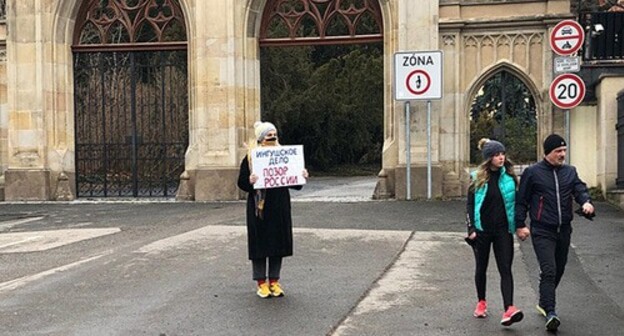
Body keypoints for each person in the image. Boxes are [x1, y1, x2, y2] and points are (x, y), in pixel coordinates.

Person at [515, 134, 594, 332]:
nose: (562, 154)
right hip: (542, 229)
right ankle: (551, 312)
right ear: (548, 152)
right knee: (549, 269)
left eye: (564, 150)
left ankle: (543, 301)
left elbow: (579, 189)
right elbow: (521, 200)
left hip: (564, 229)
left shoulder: (570, 171)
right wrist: (520, 225)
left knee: (558, 269)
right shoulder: (533, 173)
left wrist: (586, 202)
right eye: (558, 151)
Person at [237, 121, 309, 298]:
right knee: (260, 244)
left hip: (279, 205)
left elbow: (295, 183)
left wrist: (302, 176)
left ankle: (274, 281)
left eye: (274, 134)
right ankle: (261, 283)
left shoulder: (285, 155)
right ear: (261, 138)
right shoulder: (250, 158)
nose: (272, 137)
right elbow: (241, 183)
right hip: (259, 207)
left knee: (278, 243)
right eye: (269, 135)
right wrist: (251, 181)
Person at [466, 138, 525, 327]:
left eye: (502, 154)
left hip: (502, 231)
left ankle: (509, 308)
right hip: (482, 231)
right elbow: (470, 205)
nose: (501, 158)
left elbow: (517, 204)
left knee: (505, 269)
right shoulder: (477, 177)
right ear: (489, 158)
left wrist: (519, 225)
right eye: (496, 155)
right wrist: (471, 229)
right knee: (481, 268)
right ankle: (481, 302)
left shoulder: (509, 178)